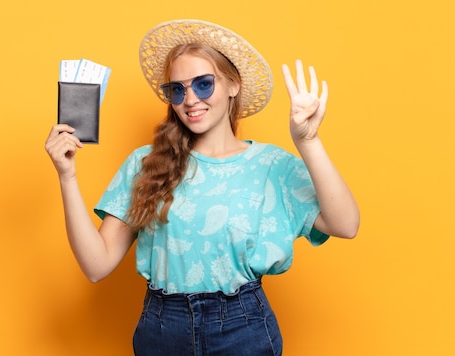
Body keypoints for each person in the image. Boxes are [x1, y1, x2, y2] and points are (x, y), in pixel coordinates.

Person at [45, 19, 359, 356]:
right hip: (162, 328)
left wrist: (308, 141)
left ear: (233, 84)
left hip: (243, 329)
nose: (190, 99)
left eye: (204, 84)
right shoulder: (146, 163)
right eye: (177, 90)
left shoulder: (271, 165)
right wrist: (68, 176)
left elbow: (345, 224)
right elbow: (96, 265)